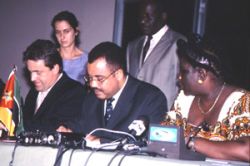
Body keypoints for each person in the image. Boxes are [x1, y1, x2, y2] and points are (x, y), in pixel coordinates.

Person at [161, 34, 250, 162]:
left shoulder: (240, 101)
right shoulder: (184, 99)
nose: (178, 77)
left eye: (183, 72)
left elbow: (246, 151)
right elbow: (164, 138)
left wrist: (192, 143)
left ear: (201, 75)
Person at [66, 42, 167, 144]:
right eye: (89, 78)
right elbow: (79, 125)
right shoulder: (91, 99)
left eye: (99, 78)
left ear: (118, 74)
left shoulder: (151, 99)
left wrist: (102, 142)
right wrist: (68, 131)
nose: (92, 84)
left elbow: (153, 143)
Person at [126, 0, 185, 111]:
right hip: (134, 117)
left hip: (163, 118)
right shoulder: (132, 46)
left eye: (148, 17)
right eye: (141, 17)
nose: (143, 21)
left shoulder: (179, 43)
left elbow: (185, 88)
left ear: (163, 16)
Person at [22, 39, 86, 132]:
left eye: (38, 72)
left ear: (55, 68)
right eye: (30, 72)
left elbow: (54, 127)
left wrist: (15, 124)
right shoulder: (34, 91)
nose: (32, 78)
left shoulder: (75, 91)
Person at [51, 10, 88, 84]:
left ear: (76, 31)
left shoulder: (86, 59)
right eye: (58, 32)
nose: (62, 36)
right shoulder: (51, 57)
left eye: (66, 31)